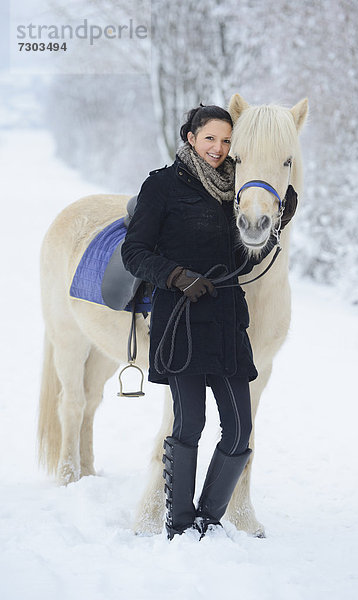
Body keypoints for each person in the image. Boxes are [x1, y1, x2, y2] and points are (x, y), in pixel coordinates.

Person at [121, 104, 296, 540]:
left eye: (225, 142)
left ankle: (210, 517)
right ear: (191, 139)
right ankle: (178, 523)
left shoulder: (233, 192)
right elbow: (135, 252)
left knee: (239, 432)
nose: (218, 149)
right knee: (188, 426)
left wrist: (278, 225)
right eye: (209, 139)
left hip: (226, 323)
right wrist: (176, 276)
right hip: (180, 321)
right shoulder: (162, 185)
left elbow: (236, 260)